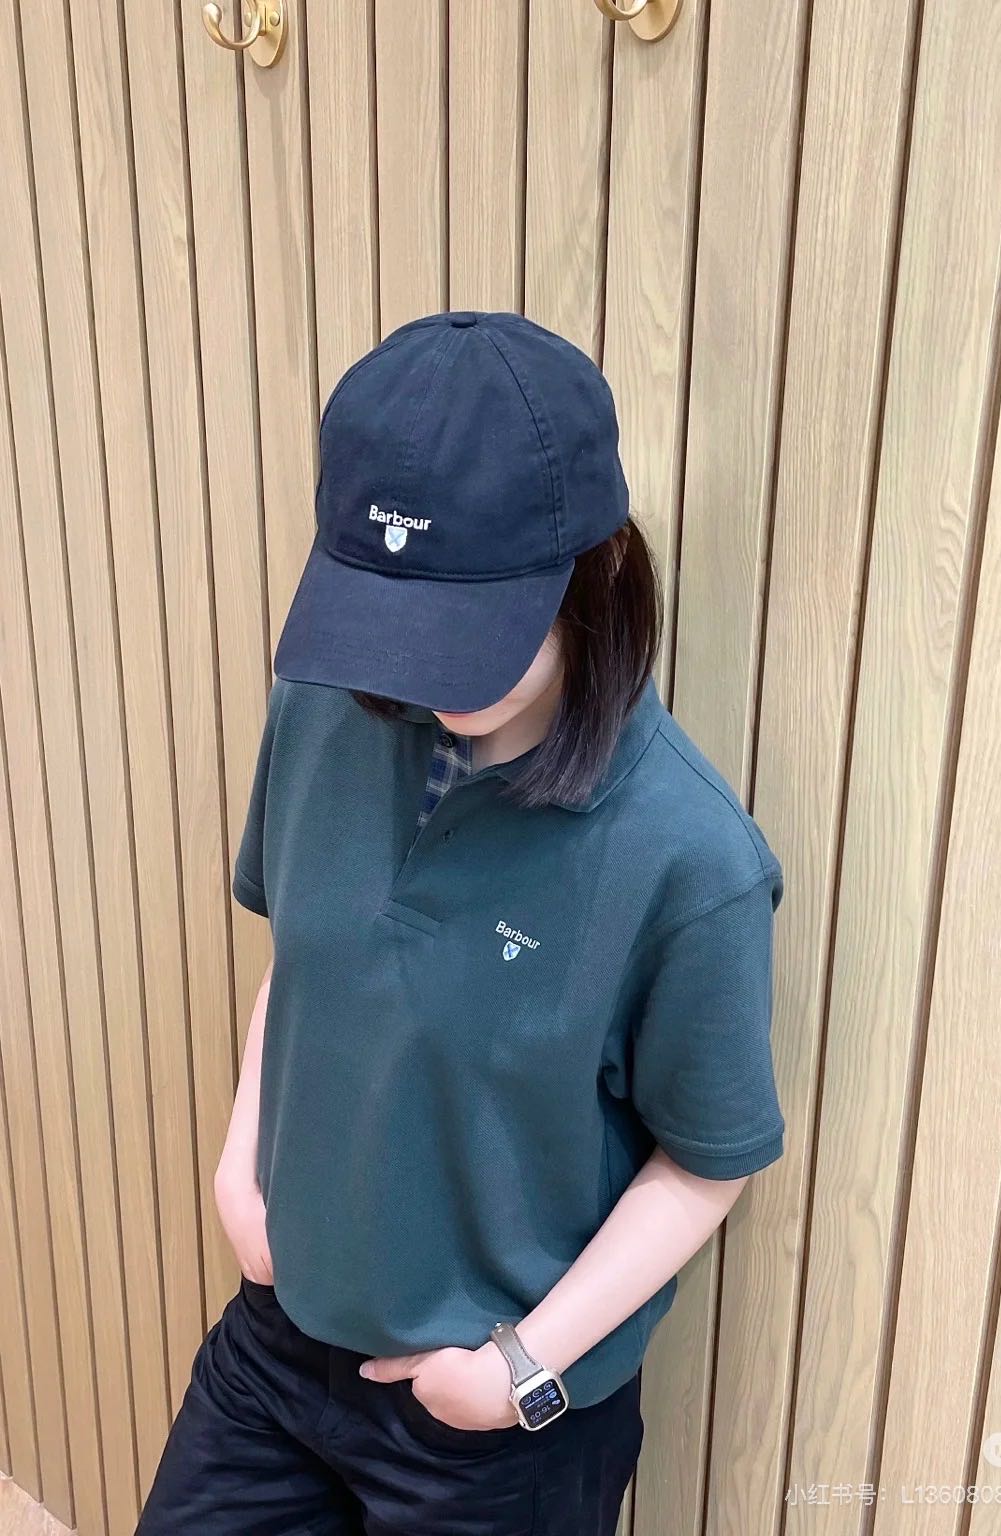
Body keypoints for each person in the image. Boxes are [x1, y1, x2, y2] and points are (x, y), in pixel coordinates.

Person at [135, 309, 786, 1535]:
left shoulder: (689, 858)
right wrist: (239, 1169)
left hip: (492, 1425)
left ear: (595, 572)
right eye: (385, 626)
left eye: (457, 636)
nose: (412, 678)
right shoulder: (324, 707)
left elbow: (707, 1164)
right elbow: (306, 962)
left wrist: (517, 1374)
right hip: (279, 1341)